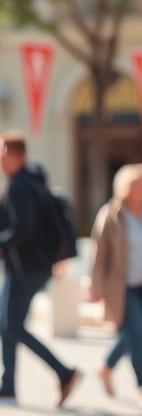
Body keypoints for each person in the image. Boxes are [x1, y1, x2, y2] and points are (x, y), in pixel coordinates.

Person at [0, 130, 80, 406]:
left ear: (12, 154)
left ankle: (63, 371)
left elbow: (25, 228)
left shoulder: (20, 185)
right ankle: (8, 384)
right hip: (31, 266)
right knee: (6, 324)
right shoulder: (31, 181)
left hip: (26, 267)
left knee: (11, 326)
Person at [89, 163, 142, 401]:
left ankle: (106, 365)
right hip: (121, 285)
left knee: (131, 333)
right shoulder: (111, 214)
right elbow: (98, 252)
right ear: (125, 188)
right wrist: (95, 285)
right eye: (136, 184)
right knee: (137, 332)